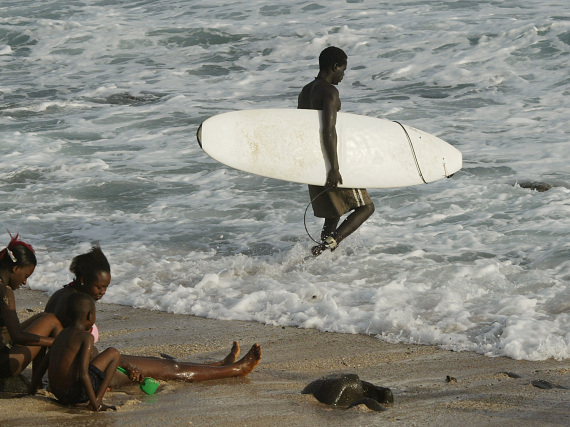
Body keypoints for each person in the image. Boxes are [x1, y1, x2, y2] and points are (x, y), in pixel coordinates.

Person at [44, 245, 262, 386]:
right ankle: (235, 369)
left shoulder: (63, 296)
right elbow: (82, 353)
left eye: (106, 287)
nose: (102, 292)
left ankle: (219, 365)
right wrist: (125, 367)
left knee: (157, 363)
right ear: (82, 279)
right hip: (89, 375)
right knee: (173, 370)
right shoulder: (80, 304)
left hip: (87, 368)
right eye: (99, 287)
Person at [298, 46, 375, 256]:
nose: (343, 75)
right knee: (366, 207)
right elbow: (328, 130)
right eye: (343, 70)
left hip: (314, 159)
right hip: (330, 159)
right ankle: (331, 244)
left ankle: (319, 255)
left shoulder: (306, 91)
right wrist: (334, 168)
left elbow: (302, 129)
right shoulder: (329, 91)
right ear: (335, 66)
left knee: (333, 213)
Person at [31, 292, 120, 411]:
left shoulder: (61, 335)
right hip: (75, 395)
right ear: (90, 316)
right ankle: (98, 400)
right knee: (114, 353)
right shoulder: (86, 337)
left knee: (92, 354)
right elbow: (84, 373)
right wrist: (95, 404)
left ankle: (93, 400)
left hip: (58, 393)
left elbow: (43, 365)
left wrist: (31, 391)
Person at [0, 234, 63, 379]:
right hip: (4, 365)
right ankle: (63, 377)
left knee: (43, 317)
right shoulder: (5, 291)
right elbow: (17, 336)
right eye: (26, 276)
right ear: (15, 268)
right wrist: (57, 342)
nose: (24, 282)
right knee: (51, 320)